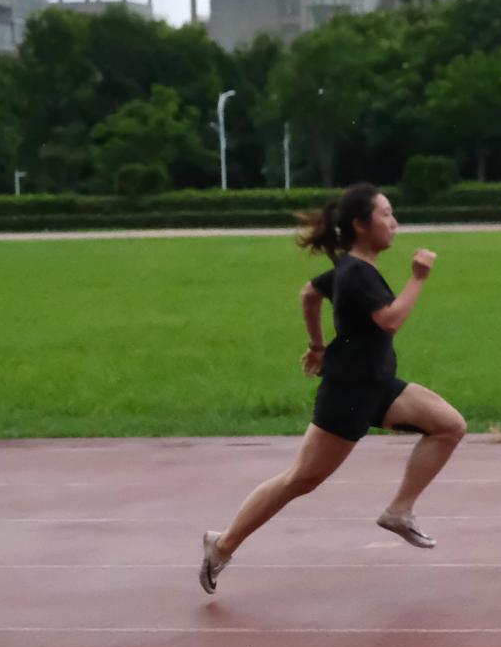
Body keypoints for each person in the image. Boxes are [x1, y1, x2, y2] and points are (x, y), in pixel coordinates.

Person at [200, 183, 466, 594]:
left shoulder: (350, 269)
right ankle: (222, 545)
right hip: (350, 393)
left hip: (378, 384)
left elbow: (309, 294)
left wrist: (318, 346)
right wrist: (418, 278)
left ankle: (399, 511)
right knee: (300, 480)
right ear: (361, 224)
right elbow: (390, 320)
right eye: (386, 214)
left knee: (449, 425)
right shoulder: (356, 272)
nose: (394, 223)